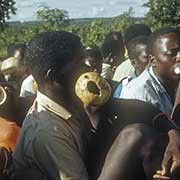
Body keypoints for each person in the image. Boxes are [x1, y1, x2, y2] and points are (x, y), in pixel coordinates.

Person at [97, 27, 180, 180]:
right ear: (153, 60)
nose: (179, 57)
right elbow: (143, 148)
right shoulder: (139, 93)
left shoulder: (172, 83)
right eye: (173, 53)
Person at [13, 31, 93, 180]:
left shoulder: (72, 105)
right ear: (54, 75)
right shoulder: (48, 132)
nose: (88, 68)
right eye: (80, 63)